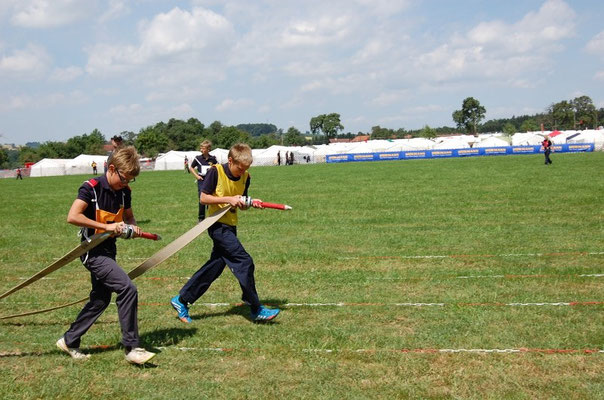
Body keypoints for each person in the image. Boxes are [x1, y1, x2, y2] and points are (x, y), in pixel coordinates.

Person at [56, 146, 156, 365]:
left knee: (101, 299)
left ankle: (69, 340)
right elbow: (73, 216)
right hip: (92, 252)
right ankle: (132, 348)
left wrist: (132, 228)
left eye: (131, 180)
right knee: (127, 288)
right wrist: (106, 227)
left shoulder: (124, 192)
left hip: (110, 251)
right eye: (124, 178)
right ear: (112, 169)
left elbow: (129, 217)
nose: (127, 183)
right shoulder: (90, 188)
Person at [170, 143, 280, 323]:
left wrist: (250, 203)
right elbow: (203, 198)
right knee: (244, 261)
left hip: (231, 226)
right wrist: (228, 199)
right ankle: (255, 307)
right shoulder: (216, 172)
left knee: (215, 266)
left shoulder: (246, 177)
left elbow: (240, 203)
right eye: (240, 168)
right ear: (230, 160)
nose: (242, 171)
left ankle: (181, 300)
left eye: (246, 168)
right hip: (217, 226)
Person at [189, 140, 218, 222]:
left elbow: (218, 168)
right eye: (200, 148)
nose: (201, 149)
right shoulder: (198, 158)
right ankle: (201, 218)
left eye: (203, 148)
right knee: (202, 198)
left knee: (211, 197)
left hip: (210, 180)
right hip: (201, 180)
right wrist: (197, 176)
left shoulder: (213, 159)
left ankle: (211, 216)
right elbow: (191, 168)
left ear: (208, 149)